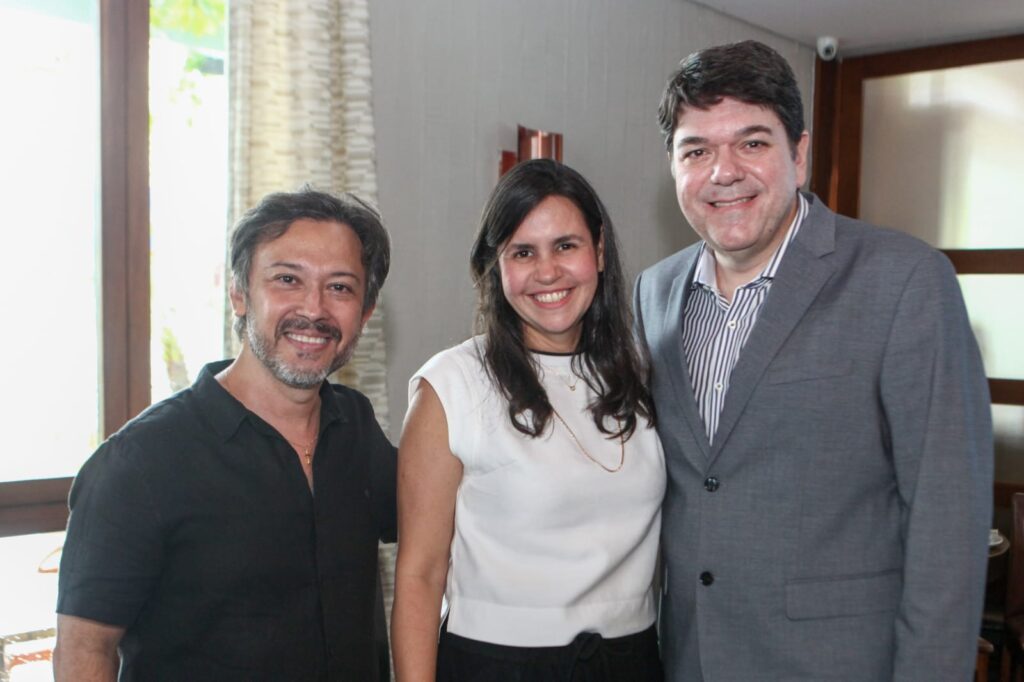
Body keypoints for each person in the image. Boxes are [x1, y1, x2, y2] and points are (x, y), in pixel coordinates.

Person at [634, 40, 993, 681]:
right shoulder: (654, 292)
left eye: (752, 143)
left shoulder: (904, 280)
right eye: (697, 150)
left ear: (798, 154)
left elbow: (947, 522)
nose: (724, 172)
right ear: (672, 166)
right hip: (692, 659)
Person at [54, 188, 397, 681]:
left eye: (340, 287)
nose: (314, 309)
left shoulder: (356, 429)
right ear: (239, 292)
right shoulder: (140, 463)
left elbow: (448, 515)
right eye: (287, 280)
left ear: (365, 312)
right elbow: (85, 650)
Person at [392, 159, 665, 681]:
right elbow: (419, 578)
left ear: (599, 250)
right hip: (495, 667)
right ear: (496, 267)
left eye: (566, 245)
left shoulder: (643, 374)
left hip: (631, 663)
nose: (548, 272)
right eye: (523, 252)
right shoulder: (450, 385)